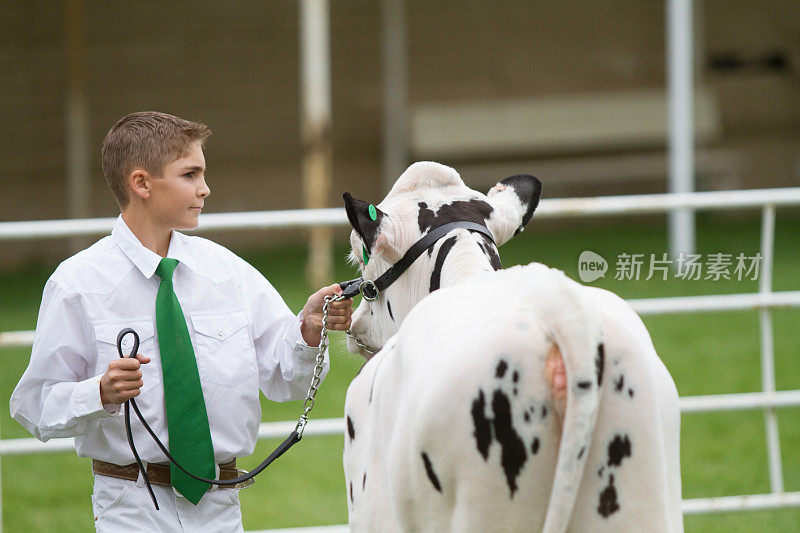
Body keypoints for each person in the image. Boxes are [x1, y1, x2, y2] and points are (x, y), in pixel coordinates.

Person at [9, 111, 353, 531]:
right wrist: (99, 392)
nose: (205, 189)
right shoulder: (77, 285)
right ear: (142, 184)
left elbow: (285, 378)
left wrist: (306, 331)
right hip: (130, 504)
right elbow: (33, 405)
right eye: (190, 174)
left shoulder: (229, 273)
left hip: (220, 503)